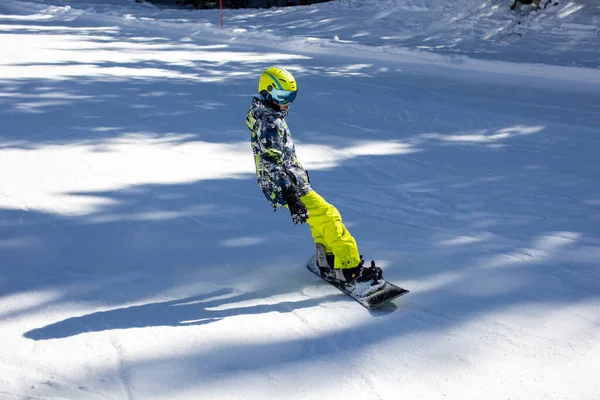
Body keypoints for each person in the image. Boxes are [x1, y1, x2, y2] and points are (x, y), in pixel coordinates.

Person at [245, 66, 383, 285]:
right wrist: (291, 197)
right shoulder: (269, 123)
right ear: (267, 93)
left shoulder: (268, 114)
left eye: (291, 96)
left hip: (290, 181)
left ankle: (326, 260)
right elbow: (271, 163)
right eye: (282, 96)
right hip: (286, 185)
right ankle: (350, 270)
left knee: (318, 220)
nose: (287, 102)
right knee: (329, 216)